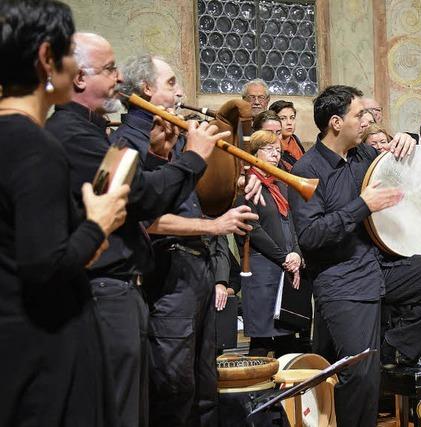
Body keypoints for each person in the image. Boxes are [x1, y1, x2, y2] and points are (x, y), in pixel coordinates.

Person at [45, 32, 235, 427]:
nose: (119, 79)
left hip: (124, 287)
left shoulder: (95, 131)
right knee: (134, 405)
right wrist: (192, 159)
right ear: (79, 78)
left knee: (151, 402)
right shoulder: (75, 135)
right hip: (104, 288)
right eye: (111, 69)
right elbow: (142, 199)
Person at [289, 85, 421, 426]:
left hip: (380, 267)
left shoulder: (364, 157)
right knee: (361, 377)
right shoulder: (307, 169)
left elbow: (401, 175)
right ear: (336, 123)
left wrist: (408, 145)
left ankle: (396, 344)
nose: (367, 120)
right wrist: (362, 206)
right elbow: (310, 236)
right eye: (359, 115)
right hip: (342, 281)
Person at [111, 54, 259, 427]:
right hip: (169, 273)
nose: (181, 91)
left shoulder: (171, 135)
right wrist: (215, 227)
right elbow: (142, 217)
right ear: (147, 89)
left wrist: (241, 179)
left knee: (204, 382)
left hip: (198, 269)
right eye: (173, 83)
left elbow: (197, 198)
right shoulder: (126, 142)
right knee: (173, 385)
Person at [0, 1, 129, 425]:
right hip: (45, 352)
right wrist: (99, 222)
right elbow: (44, 265)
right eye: (68, 54)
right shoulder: (35, 147)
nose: (74, 67)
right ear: (45, 58)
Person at [235, 130, 307, 357]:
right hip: (262, 268)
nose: (275, 155)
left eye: (278, 150)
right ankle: (257, 391)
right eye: (269, 150)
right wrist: (282, 256)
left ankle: (287, 390)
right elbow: (253, 230)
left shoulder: (282, 185)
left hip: (286, 267)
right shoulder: (247, 185)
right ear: (255, 153)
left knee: (287, 337)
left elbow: (292, 222)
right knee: (262, 339)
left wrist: (296, 253)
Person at [269, 99, 305, 172]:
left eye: (292, 118)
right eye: (283, 118)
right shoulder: (271, 145)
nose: (289, 123)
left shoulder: (294, 139)